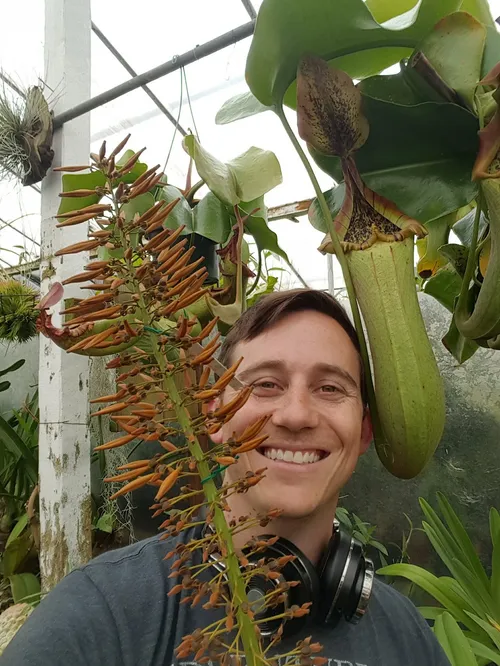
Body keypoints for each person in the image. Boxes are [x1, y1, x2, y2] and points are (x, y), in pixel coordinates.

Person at [2, 288, 451, 666]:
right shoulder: (102, 612)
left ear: (364, 431)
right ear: (212, 415)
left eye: (330, 388)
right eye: (265, 384)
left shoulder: (407, 639)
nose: (295, 415)